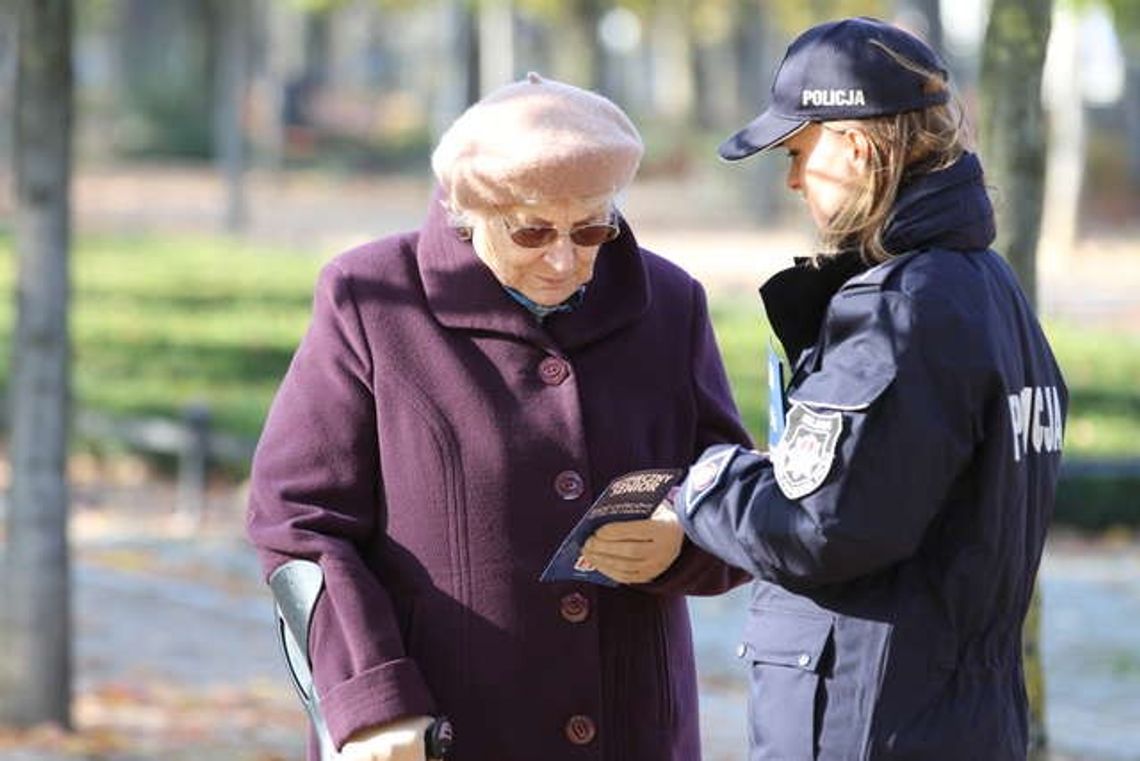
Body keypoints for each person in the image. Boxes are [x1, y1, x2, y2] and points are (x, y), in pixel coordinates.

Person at [582, 17, 1068, 761]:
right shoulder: (989, 291)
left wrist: (705, 480)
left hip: (869, 725)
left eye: (800, 152)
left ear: (859, 145)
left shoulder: (900, 309)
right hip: (954, 718)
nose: (790, 179)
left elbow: (817, 528)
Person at [245, 72, 751, 761]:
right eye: (533, 229)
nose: (565, 258)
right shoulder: (370, 298)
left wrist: (684, 535)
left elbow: (731, 489)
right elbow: (298, 520)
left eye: (593, 227)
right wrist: (370, 702)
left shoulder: (669, 303)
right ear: (467, 209)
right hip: (440, 731)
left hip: (632, 728)